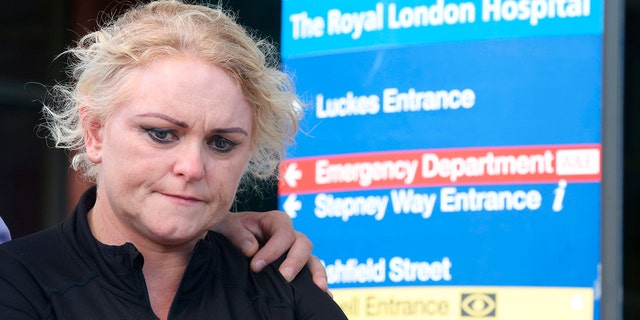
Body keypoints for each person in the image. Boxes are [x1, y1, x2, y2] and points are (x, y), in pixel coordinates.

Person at [0, 1, 347, 319]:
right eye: (162, 134)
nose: (193, 167)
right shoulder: (16, 283)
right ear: (95, 133)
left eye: (222, 143)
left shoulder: (285, 290)